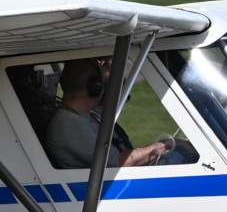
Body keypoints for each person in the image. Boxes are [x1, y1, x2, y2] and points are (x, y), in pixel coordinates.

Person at [43, 57, 174, 169]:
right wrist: (166, 145)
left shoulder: (83, 115)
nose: (106, 87)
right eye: (103, 83)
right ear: (96, 87)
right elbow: (118, 161)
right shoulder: (69, 124)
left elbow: (111, 100)